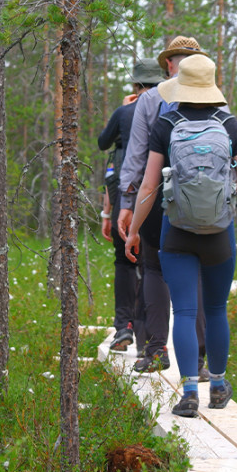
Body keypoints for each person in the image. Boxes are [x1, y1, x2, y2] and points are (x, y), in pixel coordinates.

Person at [124, 53, 237, 417]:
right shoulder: (231, 126)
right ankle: (218, 384)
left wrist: (134, 230)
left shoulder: (166, 124)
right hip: (218, 234)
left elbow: (149, 186)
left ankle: (188, 394)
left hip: (175, 232)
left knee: (182, 311)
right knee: (215, 309)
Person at [116, 36, 210, 375]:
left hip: (157, 198)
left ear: (168, 64)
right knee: (196, 272)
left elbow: (136, 157)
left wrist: (127, 203)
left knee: (154, 268)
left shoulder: (151, 99)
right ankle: (198, 361)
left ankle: (156, 350)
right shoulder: (217, 101)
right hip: (202, 199)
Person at [97, 60, 163, 352]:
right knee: (152, 263)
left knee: (124, 260)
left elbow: (102, 142)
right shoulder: (167, 108)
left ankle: (124, 328)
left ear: (136, 85)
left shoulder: (126, 111)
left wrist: (107, 212)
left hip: (123, 184)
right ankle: (149, 336)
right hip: (156, 185)